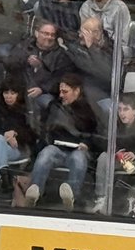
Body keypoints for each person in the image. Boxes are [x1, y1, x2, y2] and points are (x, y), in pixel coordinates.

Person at [24, 73, 101, 210]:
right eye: (60, 91)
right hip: (57, 148)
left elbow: (97, 134)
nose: (61, 95)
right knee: (47, 152)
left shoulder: (90, 109)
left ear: (76, 91)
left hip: (79, 151)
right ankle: (35, 192)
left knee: (78, 158)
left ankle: (71, 196)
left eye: (65, 92)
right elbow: (44, 128)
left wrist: (87, 144)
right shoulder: (54, 106)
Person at [89, 93, 135, 216]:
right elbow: (100, 140)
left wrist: (134, 154)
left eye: (126, 109)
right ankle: (101, 200)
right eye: (120, 109)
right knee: (103, 157)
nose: (122, 113)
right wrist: (115, 151)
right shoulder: (113, 122)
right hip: (119, 159)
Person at [0, 76, 37, 205]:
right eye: (6, 93)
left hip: (18, 149)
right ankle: (3, 177)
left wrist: (15, 134)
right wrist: (5, 135)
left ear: (19, 94)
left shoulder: (25, 110)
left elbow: (32, 135)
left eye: (13, 93)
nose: (9, 96)